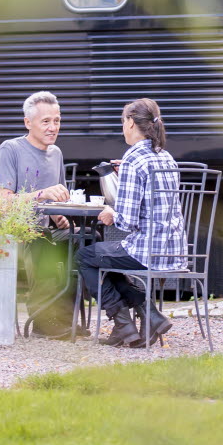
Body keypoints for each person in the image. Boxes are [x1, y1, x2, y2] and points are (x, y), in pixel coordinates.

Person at [78, 98, 187, 348]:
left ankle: (123, 323)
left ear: (129, 122)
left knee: (85, 256)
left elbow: (126, 223)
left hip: (146, 251)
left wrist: (110, 213)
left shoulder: (133, 159)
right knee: (105, 260)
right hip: (173, 250)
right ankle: (147, 314)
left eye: (122, 122)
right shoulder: (165, 156)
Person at [0, 91, 77, 338]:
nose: (53, 127)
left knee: (82, 242)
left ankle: (64, 317)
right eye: (46, 121)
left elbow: (53, 203)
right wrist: (42, 195)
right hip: (10, 230)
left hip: (43, 228)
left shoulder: (56, 153)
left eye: (57, 120)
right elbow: (3, 204)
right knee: (43, 242)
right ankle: (43, 322)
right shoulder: (10, 149)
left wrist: (60, 217)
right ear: (28, 123)